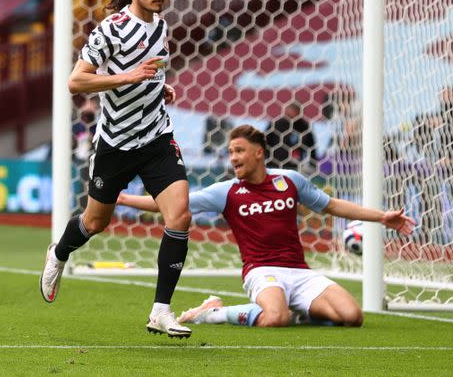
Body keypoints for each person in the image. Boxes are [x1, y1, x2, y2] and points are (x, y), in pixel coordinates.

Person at [118, 125, 415, 328]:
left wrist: (381, 217)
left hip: (299, 271)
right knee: (274, 318)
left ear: (258, 152)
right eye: (231, 151)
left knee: (352, 317)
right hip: (262, 271)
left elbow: (332, 205)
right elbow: (172, 204)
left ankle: (293, 311)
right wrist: (122, 198)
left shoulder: (289, 181)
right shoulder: (228, 191)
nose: (233, 157)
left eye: (239, 150)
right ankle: (212, 313)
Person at [40, 0, 194, 338]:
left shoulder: (161, 26)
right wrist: (128, 77)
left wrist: (159, 87)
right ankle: (59, 252)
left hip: (157, 136)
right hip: (116, 143)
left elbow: (149, 74)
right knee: (95, 222)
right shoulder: (110, 30)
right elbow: (76, 83)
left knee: (180, 216)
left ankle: (160, 310)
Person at [265, 103, 315, 171]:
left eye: (295, 111)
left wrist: (313, 164)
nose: (292, 113)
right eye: (290, 110)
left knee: (288, 181)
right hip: (274, 164)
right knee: (277, 181)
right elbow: (264, 142)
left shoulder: (304, 127)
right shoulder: (276, 124)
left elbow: (311, 146)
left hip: (293, 166)